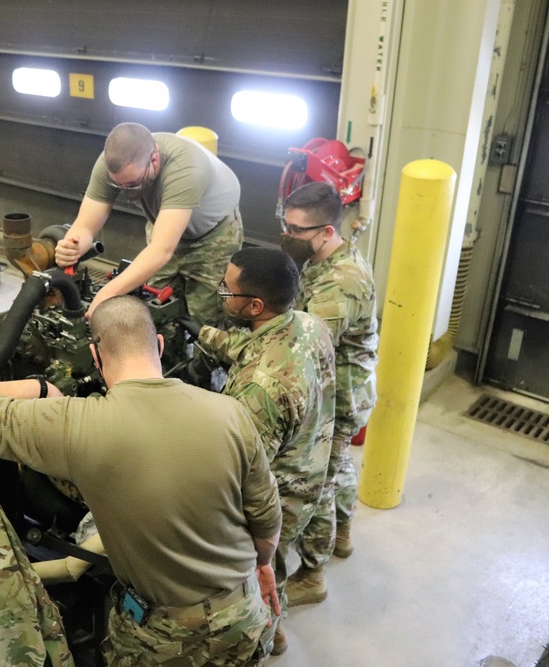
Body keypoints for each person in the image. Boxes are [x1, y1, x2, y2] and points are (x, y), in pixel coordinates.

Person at [0, 295, 284, 665]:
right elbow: (266, 530)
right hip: (243, 616)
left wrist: (40, 389)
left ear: (95, 356)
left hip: (161, 639)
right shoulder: (231, 413)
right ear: (161, 346)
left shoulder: (76, 425)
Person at [191, 247, 336, 656]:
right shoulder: (308, 324)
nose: (221, 293)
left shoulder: (260, 392)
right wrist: (204, 333)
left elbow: (242, 476)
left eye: (226, 289)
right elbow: (256, 350)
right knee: (278, 562)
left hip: (282, 495)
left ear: (254, 305)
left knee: (261, 572)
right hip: (312, 463)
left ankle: (267, 637)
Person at [278, 182, 378, 606]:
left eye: (297, 230)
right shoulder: (320, 258)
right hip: (335, 385)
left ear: (325, 231)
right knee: (338, 469)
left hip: (339, 395)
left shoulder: (343, 281)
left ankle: (312, 575)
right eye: (285, 224)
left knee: (314, 483)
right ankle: (344, 535)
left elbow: (306, 342)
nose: (288, 235)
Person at [55, 122, 242, 326]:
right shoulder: (113, 164)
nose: (125, 190)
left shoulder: (185, 169)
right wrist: (71, 247)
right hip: (163, 228)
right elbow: (85, 226)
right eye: (119, 185)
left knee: (207, 316)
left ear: (154, 159)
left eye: (133, 184)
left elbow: (162, 250)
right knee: (153, 307)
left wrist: (108, 292)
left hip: (213, 238)